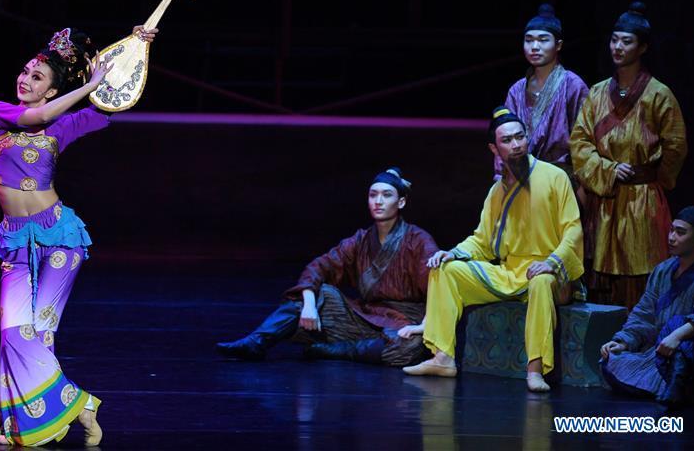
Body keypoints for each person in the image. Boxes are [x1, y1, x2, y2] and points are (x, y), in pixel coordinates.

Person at [0, 25, 157, 447]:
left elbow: (109, 107)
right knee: (13, 334)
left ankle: (23, 423)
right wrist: (92, 83)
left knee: (41, 334)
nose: (25, 80)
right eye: (25, 72)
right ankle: (79, 406)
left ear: (51, 90)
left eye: (37, 77)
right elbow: (38, 116)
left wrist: (134, 51)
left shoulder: (61, 129)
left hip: (60, 237)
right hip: (15, 240)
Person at [403, 107, 583, 392]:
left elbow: (573, 229)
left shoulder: (554, 177)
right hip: (510, 272)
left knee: (539, 282)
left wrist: (552, 261)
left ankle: (535, 369)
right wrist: (453, 253)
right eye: (507, 141)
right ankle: (442, 357)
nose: (516, 145)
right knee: (445, 270)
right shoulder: (496, 192)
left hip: (550, 273)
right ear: (494, 148)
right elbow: (482, 241)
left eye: (520, 137)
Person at [216, 168, 438, 367]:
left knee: (412, 347)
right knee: (316, 293)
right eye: (373, 195)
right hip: (364, 317)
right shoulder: (360, 240)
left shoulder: (417, 240)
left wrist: (422, 327)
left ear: (401, 202)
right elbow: (319, 267)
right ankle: (257, 341)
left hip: (403, 323)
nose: (378, 201)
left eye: (386, 195)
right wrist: (310, 305)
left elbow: (437, 288)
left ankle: (333, 351)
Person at [570, 2, 688, 308]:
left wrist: (654, 178)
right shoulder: (596, 93)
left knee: (642, 272)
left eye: (627, 41)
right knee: (601, 278)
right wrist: (606, 169)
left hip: (642, 199)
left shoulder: (659, 94)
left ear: (643, 47)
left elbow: (676, 145)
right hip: (605, 200)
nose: (618, 47)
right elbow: (580, 141)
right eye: (614, 39)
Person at [600, 196, 694, 406]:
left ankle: (680, 385)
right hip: (661, 350)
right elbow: (644, 313)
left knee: (677, 324)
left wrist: (677, 335)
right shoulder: (663, 270)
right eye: (671, 230)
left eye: (680, 233)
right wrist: (623, 341)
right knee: (611, 360)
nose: (671, 237)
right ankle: (668, 384)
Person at [495, 3, 588, 181]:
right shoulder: (517, 90)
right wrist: (501, 174)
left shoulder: (573, 85)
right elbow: (503, 135)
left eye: (543, 40)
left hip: (560, 178)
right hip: (520, 177)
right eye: (529, 40)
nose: (534, 46)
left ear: (558, 45)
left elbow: (585, 139)